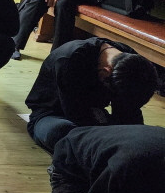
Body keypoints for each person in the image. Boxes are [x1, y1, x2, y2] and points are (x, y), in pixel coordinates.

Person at [25, 37, 157, 153]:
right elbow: (77, 116)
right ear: (106, 71)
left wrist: (136, 136)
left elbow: (129, 110)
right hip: (56, 114)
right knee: (64, 133)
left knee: (139, 136)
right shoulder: (70, 59)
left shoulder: (133, 62)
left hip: (96, 115)